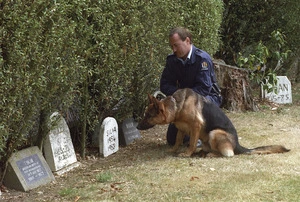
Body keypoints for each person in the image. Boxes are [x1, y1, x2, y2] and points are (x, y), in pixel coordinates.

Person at [160, 27, 222, 145]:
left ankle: (200, 135)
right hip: (182, 101)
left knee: (196, 112)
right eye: (172, 46)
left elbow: (204, 89)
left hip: (206, 99)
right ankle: (191, 135)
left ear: (187, 41)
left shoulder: (202, 59)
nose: (174, 49)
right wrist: (179, 96)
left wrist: (183, 99)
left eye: (176, 45)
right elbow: (164, 85)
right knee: (172, 140)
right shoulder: (172, 61)